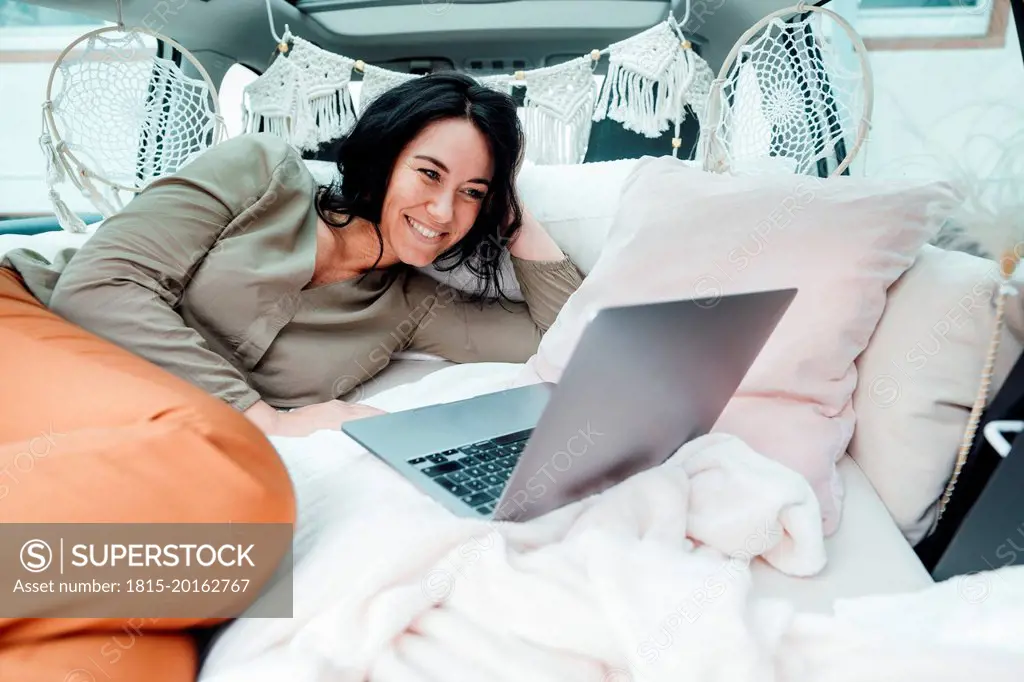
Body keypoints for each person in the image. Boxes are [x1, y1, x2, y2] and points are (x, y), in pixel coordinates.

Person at [2, 72, 583, 438]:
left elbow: (569, 345)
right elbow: (96, 287)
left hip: (144, 426)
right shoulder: (260, 171)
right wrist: (266, 420)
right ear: (384, 160)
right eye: (428, 174)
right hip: (34, 324)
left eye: (471, 194)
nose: (441, 212)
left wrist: (516, 219)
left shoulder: (415, 308)